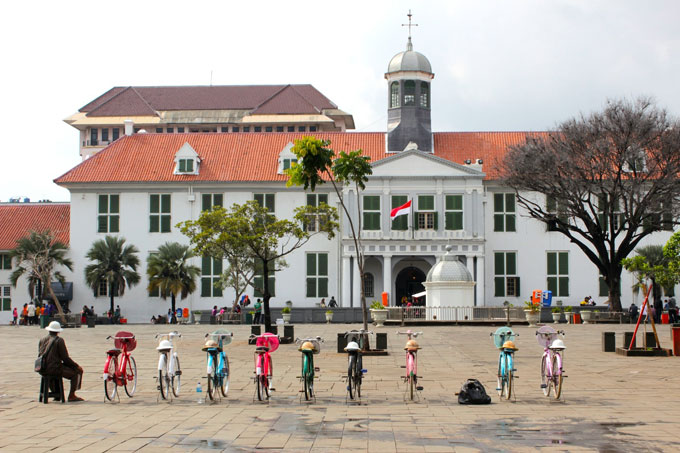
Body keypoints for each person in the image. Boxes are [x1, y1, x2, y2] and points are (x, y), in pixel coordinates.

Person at [38, 321, 84, 402]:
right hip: (54, 368)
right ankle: (72, 395)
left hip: (42, 368)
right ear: (58, 331)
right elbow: (65, 358)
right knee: (77, 372)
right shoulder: (59, 340)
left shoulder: (42, 340)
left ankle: (56, 393)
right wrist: (76, 366)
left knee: (52, 371)